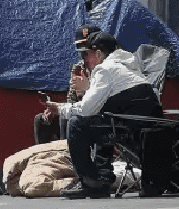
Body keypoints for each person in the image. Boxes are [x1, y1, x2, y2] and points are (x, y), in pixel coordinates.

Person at [42, 31, 164, 198]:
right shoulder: (130, 67)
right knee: (101, 119)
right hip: (149, 127)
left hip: (129, 129)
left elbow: (86, 109)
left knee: (77, 123)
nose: (85, 60)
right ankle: (103, 176)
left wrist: (59, 108)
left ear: (98, 54)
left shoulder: (104, 69)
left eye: (87, 55)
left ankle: (91, 182)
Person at [33, 23, 101, 144]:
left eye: (88, 49)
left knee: (69, 119)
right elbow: (71, 100)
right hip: (78, 109)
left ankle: (67, 153)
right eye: (82, 49)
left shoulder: (104, 69)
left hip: (96, 115)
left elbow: (102, 101)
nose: (85, 54)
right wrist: (55, 109)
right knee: (42, 120)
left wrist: (87, 88)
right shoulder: (77, 69)